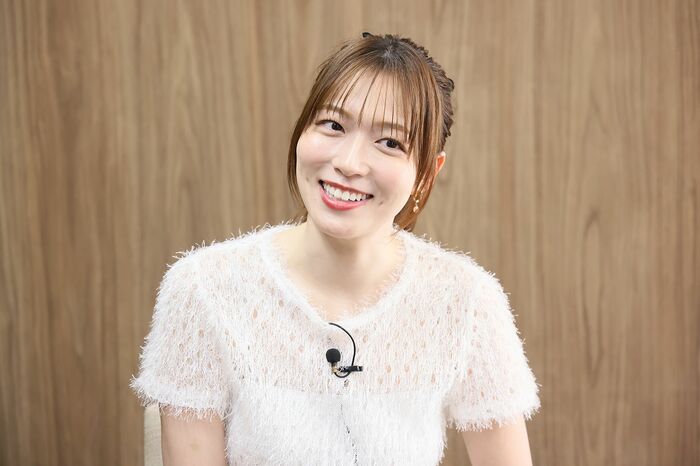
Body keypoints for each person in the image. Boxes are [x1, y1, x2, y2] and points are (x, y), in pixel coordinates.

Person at [131, 32, 541, 466]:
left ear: (427, 173)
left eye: (390, 142)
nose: (348, 163)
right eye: (333, 125)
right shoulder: (203, 289)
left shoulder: (467, 300)